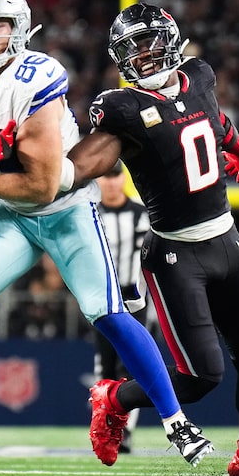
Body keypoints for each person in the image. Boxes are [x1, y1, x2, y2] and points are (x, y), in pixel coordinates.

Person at [0, 0, 211, 466]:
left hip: (63, 210)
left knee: (108, 314)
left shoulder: (35, 78)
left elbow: (42, 187)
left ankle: (177, 424)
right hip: (9, 213)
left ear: (19, 28)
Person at [63, 3, 239, 476]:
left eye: (152, 42)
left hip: (228, 242)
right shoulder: (122, 110)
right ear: (120, 57)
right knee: (200, 377)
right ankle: (114, 398)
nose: (147, 55)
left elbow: (208, 117)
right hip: (176, 256)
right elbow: (82, 162)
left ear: (173, 41)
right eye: (135, 47)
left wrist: (234, 141)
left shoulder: (200, 76)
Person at [94, 161, 152, 454]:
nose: (112, 183)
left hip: (136, 304)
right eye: (107, 177)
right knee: (105, 366)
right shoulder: (91, 214)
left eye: (116, 177)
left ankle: (125, 430)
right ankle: (105, 426)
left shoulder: (141, 215)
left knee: (131, 367)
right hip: (101, 303)